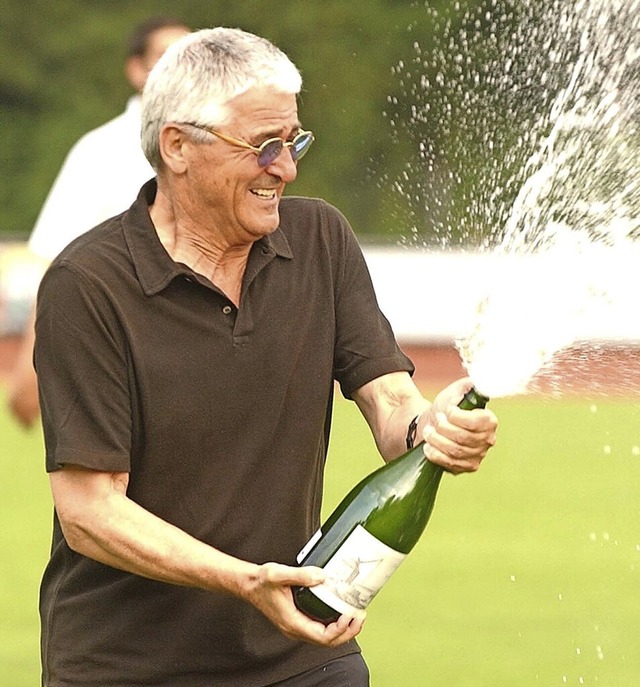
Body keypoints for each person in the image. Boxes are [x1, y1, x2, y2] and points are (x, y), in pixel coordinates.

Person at [34, 28, 498, 687]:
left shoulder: (320, 241)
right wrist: (245, 581)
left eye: (294, 141)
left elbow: (391, 399)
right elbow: (89, 513)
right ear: (177, 146)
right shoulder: (89, 284)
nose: (286, 166)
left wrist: (433, 430)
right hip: (129, 666)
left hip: (303, 651)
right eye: (264, 146)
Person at [6, 16, 190, 428]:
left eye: (189, 56)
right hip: (116, 356)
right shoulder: (99, 152)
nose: (179, 68)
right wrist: (30, 366)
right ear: (136, 69)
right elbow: (60, 263)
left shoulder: (226, 144)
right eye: (165, 56)